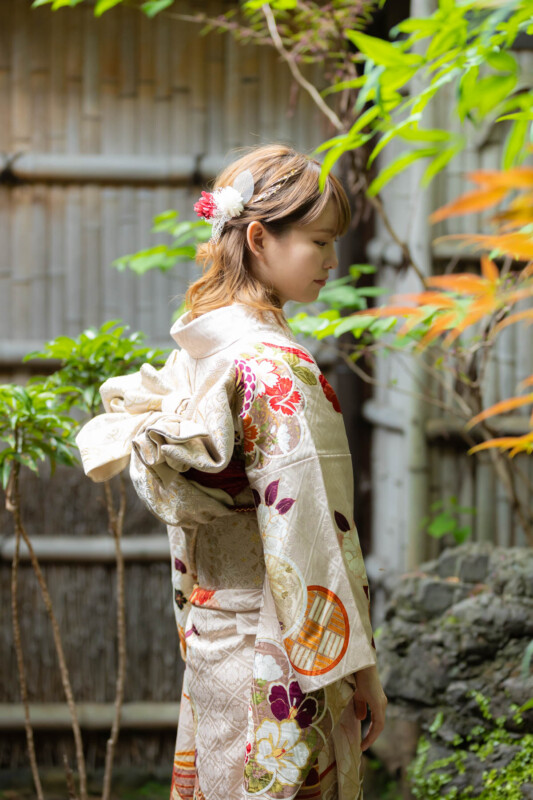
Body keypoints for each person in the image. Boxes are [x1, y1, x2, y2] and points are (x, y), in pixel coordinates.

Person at [76, 143, 387, 800]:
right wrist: (358, 667)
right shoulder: (277, 369)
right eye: (319, 242)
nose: (332, 260)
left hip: (212, 628)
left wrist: (196, 606)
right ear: (258, 238)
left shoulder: (200, 356)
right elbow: (311, 529)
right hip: (280, 646)